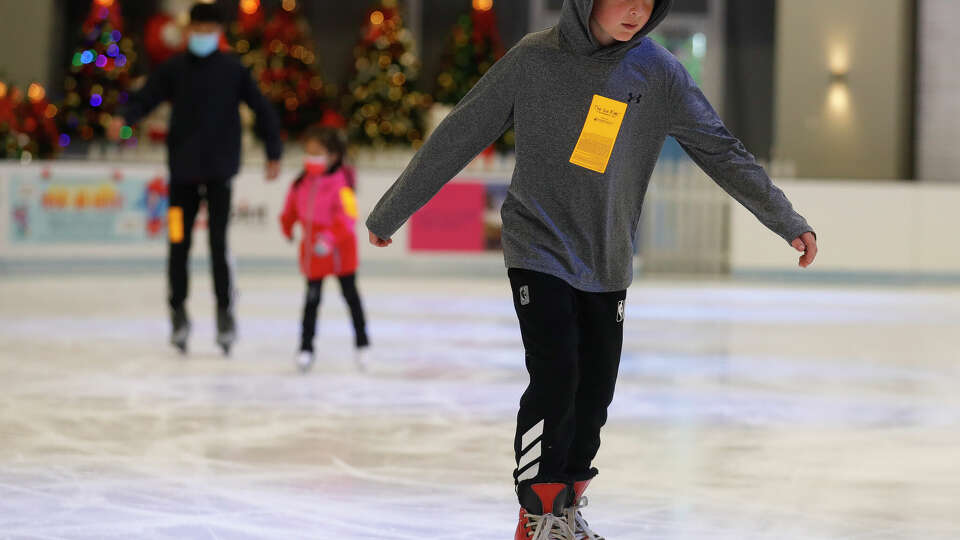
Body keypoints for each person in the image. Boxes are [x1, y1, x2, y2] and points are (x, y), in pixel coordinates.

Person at [366, 0, 818, 538]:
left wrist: (785, 219)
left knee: (594, 391)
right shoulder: (533, 60)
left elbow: (721, 150)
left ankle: (566, 511)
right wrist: (393, 209)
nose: (636, 11)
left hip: (607, 258)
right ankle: (537, 513)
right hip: (538, 248)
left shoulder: (659, 73)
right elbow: (458, 134)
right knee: (557, 375)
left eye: (648, 3)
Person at [111, 3, 283, 355]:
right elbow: (146, 99)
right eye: (197, 29)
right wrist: (125, 118)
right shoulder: (173, 68)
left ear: (219, 32)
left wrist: (273, 152)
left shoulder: (233, 70)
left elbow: (262, 109)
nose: (202, 35)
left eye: (209, 30)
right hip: (183, 175)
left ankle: (224, 314)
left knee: (218, 244)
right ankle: (178, 314)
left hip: (219, 173)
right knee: (178, 243)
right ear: (188, 31)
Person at [280, 127, 369, 373]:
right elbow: (290, 210)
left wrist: (330, 238)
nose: (311, 159)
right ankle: (306, 348)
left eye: (317, 153)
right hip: (313, 254)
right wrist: (287, 225)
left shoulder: (343, 184)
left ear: (333, 156)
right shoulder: (300, 183)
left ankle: (362, 344)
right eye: (308, 153)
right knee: (311, 301)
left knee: (351, 297)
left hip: (341, 251)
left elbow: (349, 216)